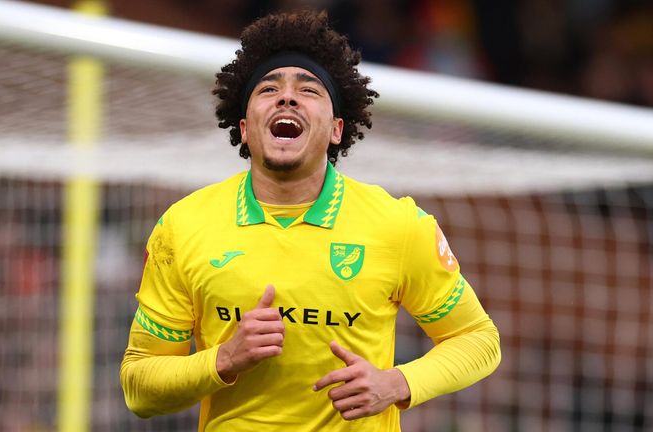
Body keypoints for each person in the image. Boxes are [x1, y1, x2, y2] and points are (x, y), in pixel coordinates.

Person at [120, 11, 501, 431]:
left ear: (337, 129)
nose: (287, 98)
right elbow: (140, 389)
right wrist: (223, 359)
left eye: (308, 89)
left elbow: (479, 340)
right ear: (244, 128)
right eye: (269, 88)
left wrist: (397, 383)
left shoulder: (398, 225)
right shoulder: (184, 225)